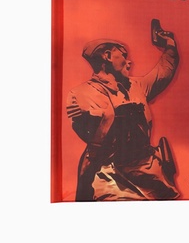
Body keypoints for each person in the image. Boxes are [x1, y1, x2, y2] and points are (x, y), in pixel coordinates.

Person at [66, 23, 180, 201]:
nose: (129, 61)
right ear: (107, 56)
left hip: (150, 176)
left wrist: (170, 45)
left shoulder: (136, 86)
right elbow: (94, 138)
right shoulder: (81, 94)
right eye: (123, 55)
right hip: (111, 177)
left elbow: (163, 73)